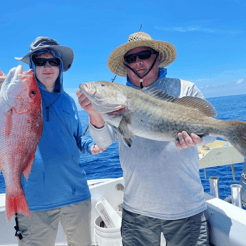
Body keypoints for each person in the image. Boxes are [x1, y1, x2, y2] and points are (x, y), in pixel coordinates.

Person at [77, 32, 215, 246]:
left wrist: (197, 140)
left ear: (157, 58)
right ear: (125, 64)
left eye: (144, 54)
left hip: (186, 207)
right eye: (131, 58)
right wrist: (94, 113)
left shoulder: (185, 88)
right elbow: (103, 142)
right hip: (136, 210)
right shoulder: (115, 104)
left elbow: (210, 134)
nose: (138, 62)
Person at [6, 37, 106, 246]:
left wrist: (90, 146)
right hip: (35, 201)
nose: (47, 66)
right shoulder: (19, 94)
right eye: (41, 62)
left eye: (53, 61)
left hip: (77, 195)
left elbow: (77, 139)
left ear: (61, 66)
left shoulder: (70, 101)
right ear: (32, 66)